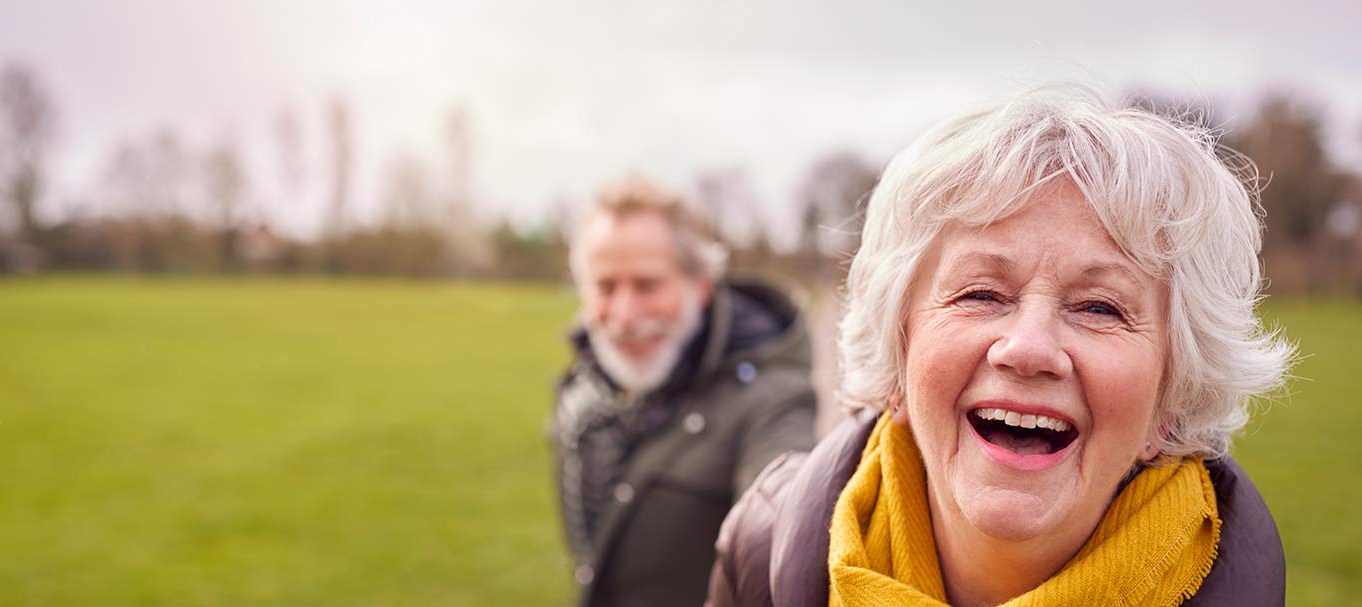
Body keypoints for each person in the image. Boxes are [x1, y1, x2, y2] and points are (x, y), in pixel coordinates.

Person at [707, 85, 1295, 607]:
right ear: (897, 354)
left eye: (1099, 307)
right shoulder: (760, 553)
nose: (1028, 349)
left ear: (1172, 402)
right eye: (981, 294)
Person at [551, 179, 818, 607]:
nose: (623, 316)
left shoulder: (773, 398)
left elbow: (783, 527)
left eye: (647, 286)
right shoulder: (582, 391)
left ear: (702, 286)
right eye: (604, 286)